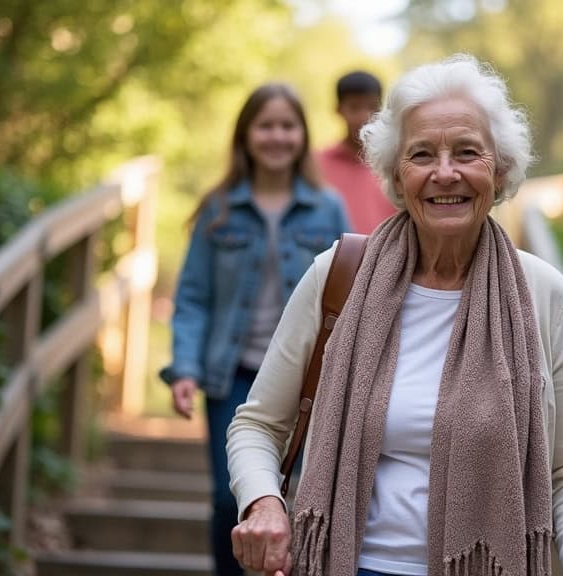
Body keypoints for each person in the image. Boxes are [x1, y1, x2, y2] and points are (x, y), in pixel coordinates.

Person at [227, 55, 563, 576]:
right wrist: (264, 502)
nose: (444, 172)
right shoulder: (338, 274)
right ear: (396, 175)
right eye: (422, 154)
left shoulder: (541, 293)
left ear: (499, 172)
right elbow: (257, 424)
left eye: (467, 152)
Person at [159, 83, 350, 576]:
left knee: (302, 498)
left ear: (302, 137)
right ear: (245, 136)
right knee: (232, 499)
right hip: (233, 376)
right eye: (265, 125)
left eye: (288, 126)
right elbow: (193, 297)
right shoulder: (218, 210)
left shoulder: (327, 209)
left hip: (310, 379)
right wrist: (184, 367)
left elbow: (352, 293)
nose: (277, 136)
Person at [316, 70, 398, 234]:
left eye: (371, 108)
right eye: (354, 107)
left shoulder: (395, 163)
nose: (364, 116)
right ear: (338, 110)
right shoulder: (317, 164)